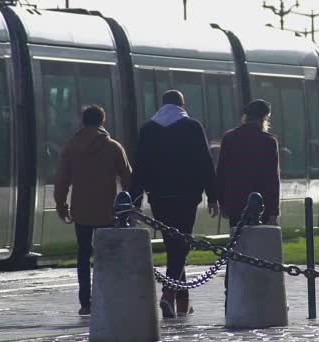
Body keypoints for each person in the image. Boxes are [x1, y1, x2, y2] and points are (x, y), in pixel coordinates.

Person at [130, 90, 218, 319]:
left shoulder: (148, 129)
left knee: (173, 244)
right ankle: (168, 294)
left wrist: (135, 198)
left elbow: (139, 166)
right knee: (182, 244)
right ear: (182, 104)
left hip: (159, 195)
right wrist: (213, 195)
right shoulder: (192, 127)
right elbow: (205, 162)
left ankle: (183, 301)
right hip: (187, 195)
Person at [54, 105, 132, 316]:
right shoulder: (114, 147)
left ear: (83, 121)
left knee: (83, 255)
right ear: (102, 121)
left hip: (81, 211)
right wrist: (130, 206)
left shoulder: (71, 147)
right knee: (107, 256)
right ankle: (107, 296)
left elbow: (62, 180)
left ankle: (85, 302)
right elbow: (128, 179)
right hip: (108, 212)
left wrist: (61, 205)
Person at [216, 99, 280, 227]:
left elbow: (221, 173)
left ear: (245, 117)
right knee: (259, 243)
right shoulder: (269, 141)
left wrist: (222, 203)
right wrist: (273, 211)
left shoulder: (229, 138)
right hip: (262, 204)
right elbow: (272, 179)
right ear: (264, 118)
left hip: (235, 203)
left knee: (239, 242)